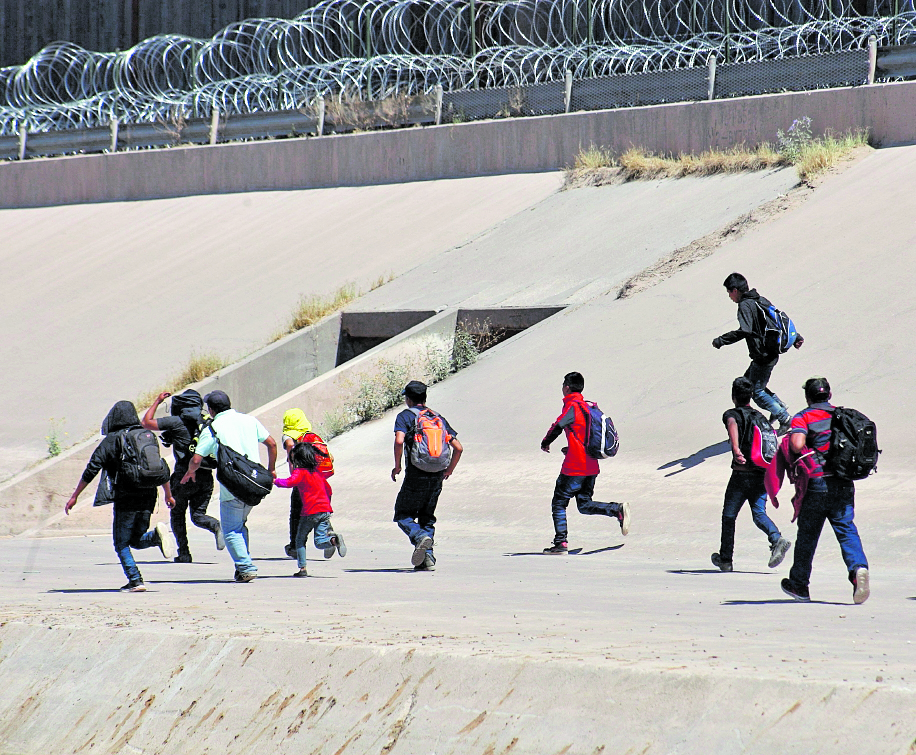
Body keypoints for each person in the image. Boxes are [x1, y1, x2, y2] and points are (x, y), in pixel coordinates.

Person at [64, 401, 176, 592]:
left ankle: (135, 580)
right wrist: (168, 494)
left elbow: (93, 467)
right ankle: (156, 537)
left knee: (121, 543)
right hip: (149, 496)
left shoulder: (113, 439)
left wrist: (75, 495)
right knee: (136, 539)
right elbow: (160, 466)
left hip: (127, 498)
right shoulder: (146, 435)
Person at [780, 377, 870, 604]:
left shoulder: (804, 416)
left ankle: (799, 585)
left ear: (808, 396)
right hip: (844, 481)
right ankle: (858, 569)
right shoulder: (843, 416)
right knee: (846, 529)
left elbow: (797, 445)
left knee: (808, 534)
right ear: (829, 395)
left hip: (818, 483)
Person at [180, 390, 277, 582]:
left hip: (232, 488)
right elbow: (272, 444)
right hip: (254, 485)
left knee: (231, 530)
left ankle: (246, 567)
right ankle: (243, 565)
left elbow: (197, 458)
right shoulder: (250, 420)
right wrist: (271, 469)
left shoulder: (212, 428)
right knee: (240, 525)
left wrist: (190, 471)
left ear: (211, 409)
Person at [540, 372, 630, 554]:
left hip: (574, 467)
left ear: (567, 387)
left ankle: (561, 543)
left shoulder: (572, 407)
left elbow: (558, 426)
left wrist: (545, 442)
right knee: (584, 505)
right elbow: (582, 436)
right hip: (591, 467)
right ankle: (617, 510)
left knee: (558, 503)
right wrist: (570, 447)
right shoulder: (588, 407)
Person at [711, 377, 791, 572]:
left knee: (729, 516)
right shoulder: (760, 416)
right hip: (761, 475)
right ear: (751, 397)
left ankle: (726, 559)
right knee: (759, 514)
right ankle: (776, 538)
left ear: (733, 396)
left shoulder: (731, 413)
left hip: (741, 475)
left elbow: (732, 424)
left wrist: (736, 449)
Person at [712, 273, 804, 434]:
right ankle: (778, 407)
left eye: (729, 292)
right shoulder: (759, 299)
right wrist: (796, 336)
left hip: (763, 355)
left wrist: (722, 340)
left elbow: (745, 330)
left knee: (755, 391)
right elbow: (779, 319)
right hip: (769, 353)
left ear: (735, 290)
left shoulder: (745, 305)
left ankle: (784, 417)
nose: (729, 296)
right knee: (748, 383)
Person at [141, 390, 224, 562]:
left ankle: (184, 553)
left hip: (183, 476)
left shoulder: (176, 421)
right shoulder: (207, 422)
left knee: (177, 514)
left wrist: (157, 401)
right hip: (206, 476)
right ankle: (216, 525)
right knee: (198, 516)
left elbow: (146, 422)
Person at [391, 380, 463, 571]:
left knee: (403, 514)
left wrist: (397, 466)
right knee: (427, 516)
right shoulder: (437, 417)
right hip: (437, 473)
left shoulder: (405, 416)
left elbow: (399, 441)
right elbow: (458, 447)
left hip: (416, 473)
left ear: (408, 398)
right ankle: (427, 560)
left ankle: (419, 537)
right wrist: (449, 470)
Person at [274, 441, 345, 577]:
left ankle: (302, 569)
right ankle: (333, 541)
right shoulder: (318, 472)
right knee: (319, 541)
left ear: (297, 459)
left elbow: (289, 482)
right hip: (324, 511)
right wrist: (325, 505)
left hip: (309, 512)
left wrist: (275, 481)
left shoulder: (300, 472)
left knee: (300, 539)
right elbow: (328, 490)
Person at [279, 408, 333, 559]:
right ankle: (329, 537)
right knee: (320, 511)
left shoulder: (288, 436)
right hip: (319, 480)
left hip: (302, 481)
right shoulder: (311, 436)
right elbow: (331, 457)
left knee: (297, 513)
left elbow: (289, 446)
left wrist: (294, 471)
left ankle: (295, 547)